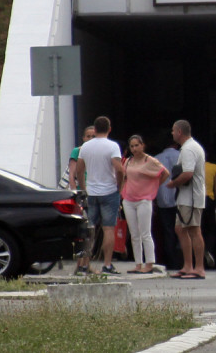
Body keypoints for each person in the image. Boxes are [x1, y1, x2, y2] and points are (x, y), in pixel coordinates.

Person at [75, 116, 124, 275]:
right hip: (109, 191)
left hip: (91, 192)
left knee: (89, 230)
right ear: (109, 129)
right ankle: (107, 264)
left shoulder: (86, 147)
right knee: (108, 228)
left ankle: (84, 264)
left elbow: (79, 170)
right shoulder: (113, 146)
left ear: (94, 130)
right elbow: (120, 169)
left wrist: (84, 187)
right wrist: (119, 186)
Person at [121, 134, 169, 274]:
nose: (134, 148)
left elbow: (164, 173)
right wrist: (122, 192)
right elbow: (124, 177)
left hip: (144, 199)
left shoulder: (150, 161)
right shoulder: (128, 161)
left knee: (145, 232)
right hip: (129, 199)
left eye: (137, 145)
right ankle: (138, 263)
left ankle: (149, 262)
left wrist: (153, 188)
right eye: (132, 146)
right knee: (134, 234)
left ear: (143, 145)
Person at [166, 119, 207, 279]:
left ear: (179, 132)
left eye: (173, 131)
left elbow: (188, 173)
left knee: (194, 230)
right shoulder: (187, 148)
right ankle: (188, 266)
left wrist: (173, 183)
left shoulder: (189, 149)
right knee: (180, 229)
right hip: (185, 198)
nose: (172, 133)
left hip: (191, 198)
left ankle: (199, 268)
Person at [68, 125, 95, 273]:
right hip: (81, 194)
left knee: (91, 231)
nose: (90, 139)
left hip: (94, 192)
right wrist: (76, 193)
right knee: (82, 231)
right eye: (88, 136)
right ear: (83, 138)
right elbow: (72, 175)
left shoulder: (97, 152)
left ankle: (86, 263)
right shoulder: (77, 151)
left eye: (93, 136)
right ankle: (79, 264)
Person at [154, 139, 181, 271]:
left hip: (162, 200)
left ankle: (171, 262)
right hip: (179, 199)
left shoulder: (156, 158)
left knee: (168, 231)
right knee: (183, 231)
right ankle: (183, 261)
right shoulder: (180, 155)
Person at [203, 158, 216, 268]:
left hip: (198, 200)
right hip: (210, 199)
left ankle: (198, 256)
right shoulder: (214, 167)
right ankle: (208, 249)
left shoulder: (195, 167)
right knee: (210, 229)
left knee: (198, 229)